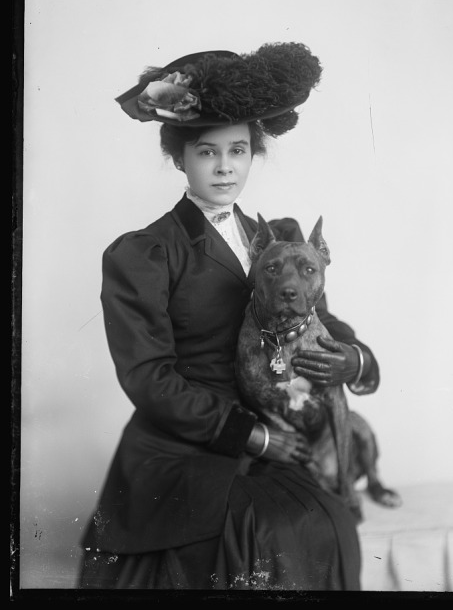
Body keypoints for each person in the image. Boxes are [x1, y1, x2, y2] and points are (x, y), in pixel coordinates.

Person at [78, 42, 380, 592]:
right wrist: (253, 437)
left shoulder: (282, 241)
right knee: (266, 533)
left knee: (330, 523)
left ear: (252, 154)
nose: (224, 167)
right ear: (180, 157)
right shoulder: (146, 253)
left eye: (237, 151)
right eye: (206, 151)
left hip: (282, 430)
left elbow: (327, 328)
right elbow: (148, 377)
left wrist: (353, 360)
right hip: (188, 444)